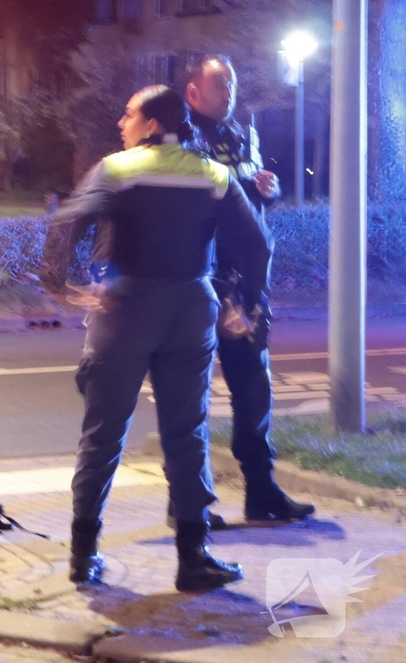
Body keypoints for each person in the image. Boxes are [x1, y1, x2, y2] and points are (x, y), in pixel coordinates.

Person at [53, 85, 272, 592]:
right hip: (191, 308)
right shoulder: (213, 175)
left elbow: (67, 224)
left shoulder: (117, 169)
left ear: (152, 124)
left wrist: (63, 284)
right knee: (187, 431)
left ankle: (83, 556)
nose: (121, 123)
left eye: (129, 114)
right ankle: (193, 559)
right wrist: (245, 303)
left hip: (125, 308)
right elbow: (256, 243)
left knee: (103, 433)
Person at [184, 54, 315, 524]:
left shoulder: (245, 134)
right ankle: (190, 505)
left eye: (233, 84)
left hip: (246, 286)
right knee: (189, 396)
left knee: (254, 390)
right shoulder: (182, 137)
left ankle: (261, 491)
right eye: (220, 84)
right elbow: (195, 194)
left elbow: (254, 206)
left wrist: (270, 190)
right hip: (202, 281)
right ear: (194, 92)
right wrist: (244, 182)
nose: (229, 93)